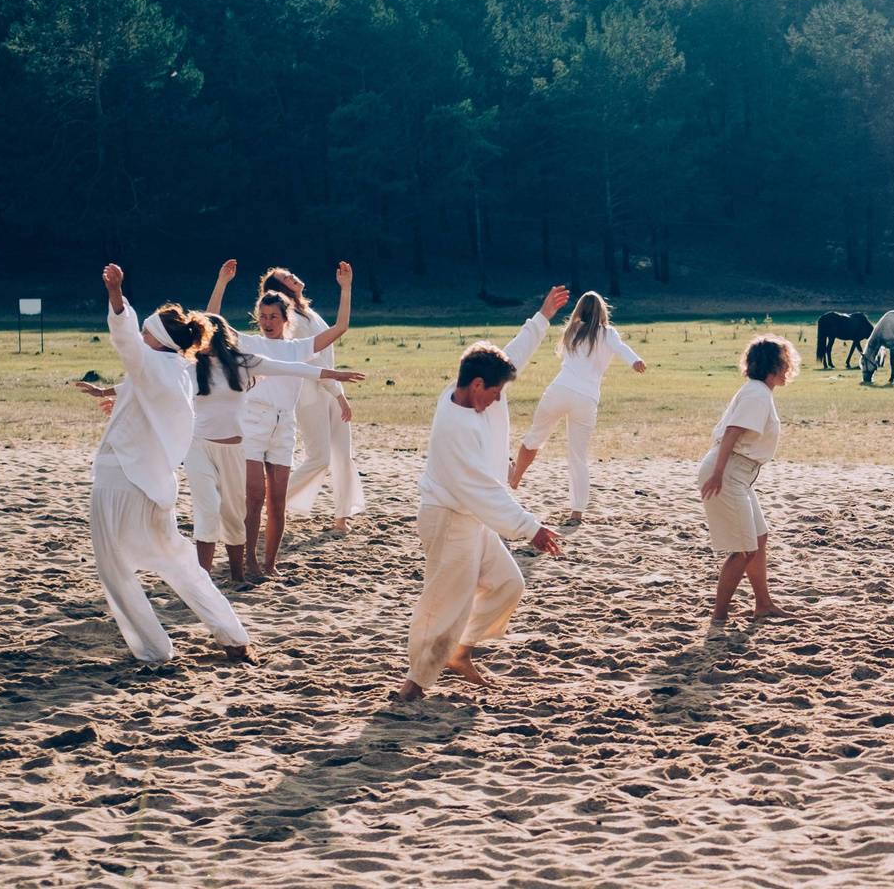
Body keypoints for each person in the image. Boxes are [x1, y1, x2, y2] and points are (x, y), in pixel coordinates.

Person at [87, 265, 256, 665]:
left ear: (157, 339)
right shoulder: (182, 369)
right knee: (180, 563)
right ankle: (233, 636)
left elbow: (125, 338)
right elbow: (148, 397)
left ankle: (154, 649)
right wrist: (123, 405)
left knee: (114, 568)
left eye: (147, 332)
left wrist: (116, 294)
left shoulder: (149, 362)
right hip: (155, 484)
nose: (143, 338)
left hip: (120, 477)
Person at [395, 345, 562, 699]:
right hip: (448, 519)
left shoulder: (461, 393)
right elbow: (483, 491)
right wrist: (530, 528)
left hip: (471, 518)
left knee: (508, 583)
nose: (498, 400)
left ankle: (458, 652)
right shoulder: (456, 428)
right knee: (444, 605)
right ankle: (414, 684)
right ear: (477, 384)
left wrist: (540, 322)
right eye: (495, 392)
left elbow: (501, 356)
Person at [186, 312, 364, 586]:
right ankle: (228, 570)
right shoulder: (208, 359)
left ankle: (260, 567)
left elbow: (294, 368)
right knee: (240, 501)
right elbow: (158, 377)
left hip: (274, 427)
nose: (268, 321)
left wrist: (335, 378)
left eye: (273, 317)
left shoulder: (259, 357)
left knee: (267, 503)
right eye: (263, 316)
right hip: (231, 432)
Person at [510, 290, 648, 523]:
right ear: (602, 312)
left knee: (535, 437)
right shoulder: (608, 333)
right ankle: (577, 511)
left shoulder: (572, 330)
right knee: (578, 457)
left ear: (579, 310)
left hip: (560, 389)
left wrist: (633, 359)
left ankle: (516, 477)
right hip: (587, 398)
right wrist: (635, 360)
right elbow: (621, 348)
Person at [250, 265, 368, 535]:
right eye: (285, 278)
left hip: (331, 388)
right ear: (280, 289)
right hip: (310, 393)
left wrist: (346, 288)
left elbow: (336, 336)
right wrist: (339, 395)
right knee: (319, 458)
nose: (291, 276)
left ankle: (341, 517)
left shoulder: (307, 311)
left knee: (343, 454)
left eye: (288, 273)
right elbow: (313, 364)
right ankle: (270, 502)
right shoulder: (293, 320)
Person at [699, 335, 798, 622]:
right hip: (729, 471)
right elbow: (732, 432)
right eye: (785, 362)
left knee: (758, 537)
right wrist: (718, 474)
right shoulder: (757, 394)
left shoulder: (759, 392)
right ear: (774, 365)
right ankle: (719, 617)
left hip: (738, 472)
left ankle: (763, 605)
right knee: (744, 549)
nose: (788, 367)